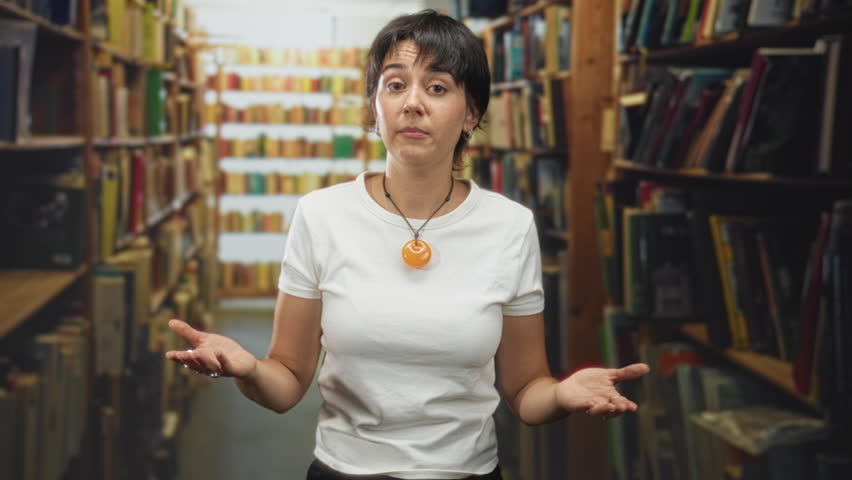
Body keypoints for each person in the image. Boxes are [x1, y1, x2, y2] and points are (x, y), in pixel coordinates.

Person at [166, 9, 649, 480]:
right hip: (343, 471)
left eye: (437, 88)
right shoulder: (322, 214)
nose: (412, 103)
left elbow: (526, 390)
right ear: (375, 110)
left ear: (471, 114)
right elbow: (288, 380)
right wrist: (248, 368)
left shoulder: (510, 225)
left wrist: (563, 395)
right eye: (395, 85)